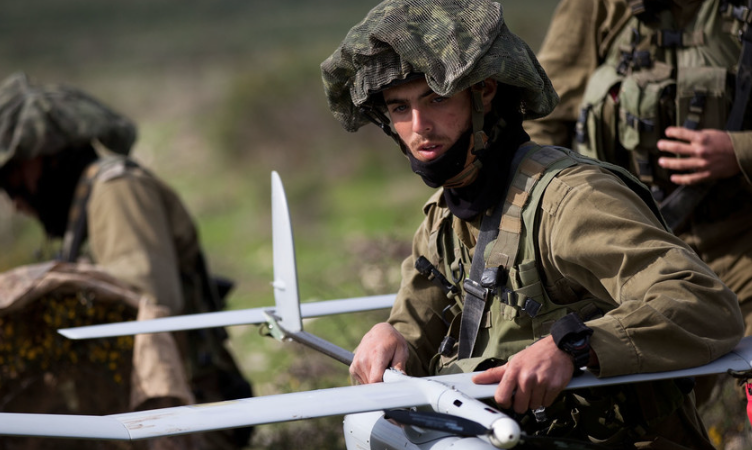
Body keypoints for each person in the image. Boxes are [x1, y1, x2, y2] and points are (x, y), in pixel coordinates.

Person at [320, 0, 744, 447]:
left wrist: (577, 348)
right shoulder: (445, 215)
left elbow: (704, 304)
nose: (418, 127)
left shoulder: (571, 200)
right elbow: (416, 328)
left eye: (436, 99)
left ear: (484, 93)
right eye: (399, 109)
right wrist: (391, 339)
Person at [523, 0, 752, 441]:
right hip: (630, 252)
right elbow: (543, 120)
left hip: (742, 241)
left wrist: (739, 151)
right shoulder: (598, 8)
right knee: (633, 411)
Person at [0, 73, 253, 450]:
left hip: (183, 416)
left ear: (42, 157)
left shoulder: (116, 191)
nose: (16, 204)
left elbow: (145, 307)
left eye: (12, 178)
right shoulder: (87, 206)